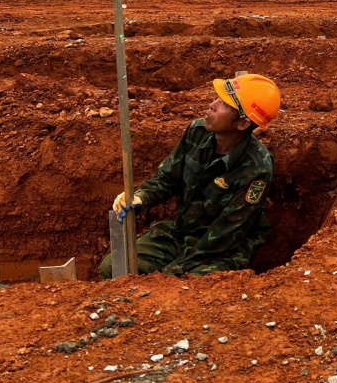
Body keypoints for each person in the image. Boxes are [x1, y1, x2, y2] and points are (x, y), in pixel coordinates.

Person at [99, 74, 280, 278]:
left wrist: (168, 273)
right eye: (217, 98)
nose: (212, 104)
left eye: (224, 104)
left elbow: (225, 234)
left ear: (243, 124)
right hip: (181, 235)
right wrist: (141, 197)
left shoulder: (257, 168)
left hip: (220, 252)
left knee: (184, 289)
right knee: (113, 268)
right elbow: (167, 179)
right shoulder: (197, 133)